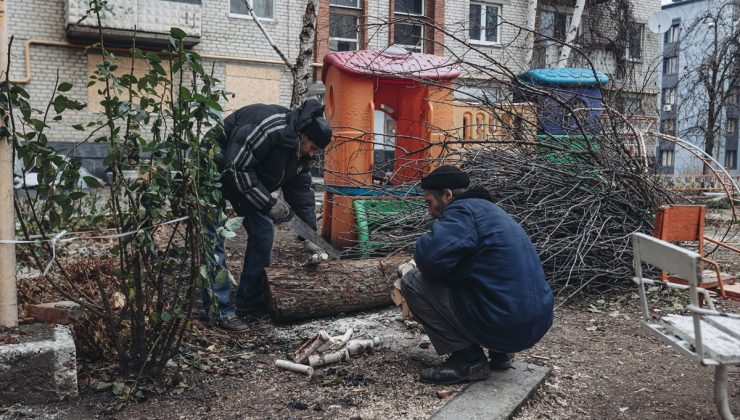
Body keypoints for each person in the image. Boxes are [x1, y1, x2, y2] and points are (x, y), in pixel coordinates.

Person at [400, 165, 554, 384]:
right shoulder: (493, 212)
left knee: (412, 281)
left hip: (506, 323)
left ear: (447, 194)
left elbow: (428, 260)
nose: (430, 213)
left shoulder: (462, 212)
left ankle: (468, 361)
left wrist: (426, 243)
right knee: (481, 278)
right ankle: (500, 352)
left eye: (430, 203)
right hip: (535, 322)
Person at [205, 99, 332, 332]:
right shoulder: (268, 130)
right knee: (213, 236)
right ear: (302, 135)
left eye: (317, 151)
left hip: (243, 175)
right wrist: (268, 203)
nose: (313, 154)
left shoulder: (302, 154)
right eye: (312, 147)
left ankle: (250, 301)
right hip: (215, 165)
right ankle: (220, 309)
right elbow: (237, 168)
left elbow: (301, 194)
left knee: (263, 230)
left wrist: (310, 237)